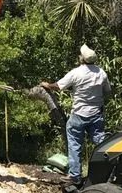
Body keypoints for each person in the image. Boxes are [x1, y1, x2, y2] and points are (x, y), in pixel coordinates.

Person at [42, 44, 111, 184]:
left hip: (79, 114)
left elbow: (59, 86)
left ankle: (75, 175)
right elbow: (108, 92)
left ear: (82, 59)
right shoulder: (101, 73)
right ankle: (109, 172)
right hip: (96, 114)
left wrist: (47, 85)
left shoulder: (77, 73)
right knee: (102, 143)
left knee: (75, 144)